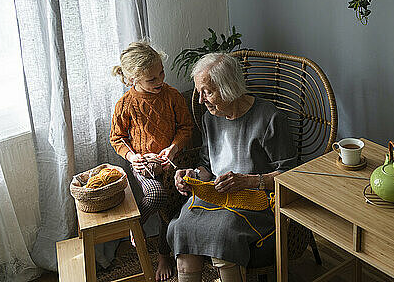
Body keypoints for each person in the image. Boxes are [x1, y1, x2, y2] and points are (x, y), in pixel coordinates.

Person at [167, 53, 297, 282]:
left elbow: (290, 175)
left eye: (207, 92)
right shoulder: (210, 118)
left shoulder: (269, 118)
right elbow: (207, 165)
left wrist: (248, 181)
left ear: (228, 88)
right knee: (182, 226)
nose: (200, 101)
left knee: (225, 233)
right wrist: (193, 175)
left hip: (256, 201)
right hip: (217, 195)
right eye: (199, 92)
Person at [110, 41, 194, 282]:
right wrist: (132, 157)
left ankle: (164, 254)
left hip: (171, 161)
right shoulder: (125, 104)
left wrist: (173, 148)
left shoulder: (172, 96)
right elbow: (117, 138)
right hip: (143, 165)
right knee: (157, 196)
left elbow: (186, 128)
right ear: (132, 79)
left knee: (172, 208)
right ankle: (136, 224)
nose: (159, 81)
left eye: (161, 74)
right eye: (151, 79)